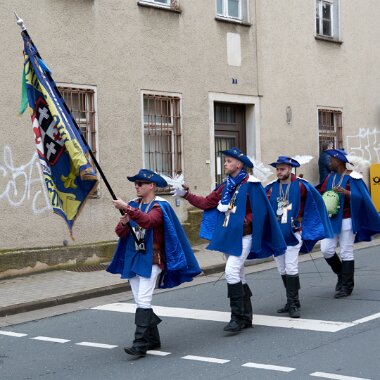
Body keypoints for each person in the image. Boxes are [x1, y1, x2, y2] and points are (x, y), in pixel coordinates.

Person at [174, 147, 286, 333]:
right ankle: (246, 316)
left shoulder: (251, 184)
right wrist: (186, 194)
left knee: (231, 271)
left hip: (244, 235)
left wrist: (247, 218)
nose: (225, 164)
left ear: (239, 164)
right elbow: (206, 203)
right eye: (225, 161)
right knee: (239, 274)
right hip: (228, 235)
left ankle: (236, 318)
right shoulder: (224, 186)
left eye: (228, 161)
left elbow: (261, 211)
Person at [107, 169, 201, 357]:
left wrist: (128, 209)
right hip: (134, 256)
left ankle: (140, 344)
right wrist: (124, 222)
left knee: (143, 299)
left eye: (140, 183)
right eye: (135, 183)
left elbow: (149, 222)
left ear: (152, 186)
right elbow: (120, 232)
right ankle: (153, 339)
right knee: (139, 300)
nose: (137, 186)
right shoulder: (134, 204)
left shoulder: (161, 206)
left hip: (153, 258)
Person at [265, 156, 333, 318]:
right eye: (277, 169)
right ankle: (290, 301)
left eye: (282, 169)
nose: (279, 172)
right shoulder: (271, 187)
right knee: (282, 268)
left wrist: (309, 225)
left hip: (294, 232)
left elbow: (315, 204)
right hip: (277, 233)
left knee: (291, 266)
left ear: (290, 169)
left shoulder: (302, 186)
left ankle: (294, 303)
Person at [319, 149, 380, 298]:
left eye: (331, 160)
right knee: (326, 249)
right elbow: (321, 192)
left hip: (347, 219)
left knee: (346, 251)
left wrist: (346, 193)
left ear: (339, 161)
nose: (329, 163)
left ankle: (347, 286)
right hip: (331, 219)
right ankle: (341, 274)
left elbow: (363, 198)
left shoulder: (354, 178)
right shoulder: (329, 177)